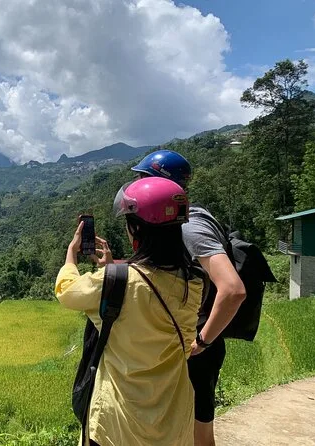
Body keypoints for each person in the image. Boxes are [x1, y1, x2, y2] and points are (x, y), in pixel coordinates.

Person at [55, 177, 204, 446]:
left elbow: (67, 291)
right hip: (173, 416)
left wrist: (71, 254)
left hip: (120, 422)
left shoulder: (119, 281)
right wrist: (112, 269)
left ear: (135, 228)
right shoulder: (193, 282)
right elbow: (152, 289)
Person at [132, 150, 247, 446]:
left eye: (143, 179)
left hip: (196, 347)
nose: (139, 186)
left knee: (198, 435)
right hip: (190, 343)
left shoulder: (191, 226)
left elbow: (233, 290)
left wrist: (202, 341)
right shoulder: (180, 220)